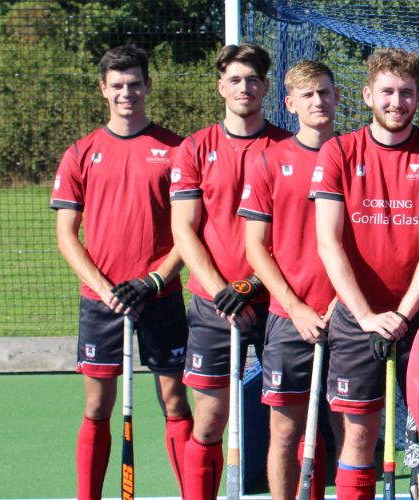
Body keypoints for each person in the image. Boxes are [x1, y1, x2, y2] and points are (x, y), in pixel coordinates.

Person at [51, 44, 192, 499]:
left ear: (148, 86)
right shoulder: (81, 152)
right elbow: (66, 234)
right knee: (97, 406)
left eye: (134, 84)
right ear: (102, 89)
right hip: (102, 302)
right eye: (117, 86)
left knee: (175, 401)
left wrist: (155, 280)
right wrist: (105, 287)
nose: (126, 93)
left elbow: (190, 232)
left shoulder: (176, 150)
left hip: (160, 298)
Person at [311, 48, 419, 500]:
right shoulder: (338, 151)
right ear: (368, 95)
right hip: (358, 318)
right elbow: (329, 243)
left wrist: (403, 315)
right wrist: (368, 317)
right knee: (358, 435)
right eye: (387, 91)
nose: (397, 102)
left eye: (407, 92)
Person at [169, 42, 292, 499]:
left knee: (291, 421)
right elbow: (184, 230)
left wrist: (252, 284)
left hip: (277, 303)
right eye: (235, 80)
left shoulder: (287, 148)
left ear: (266, 87)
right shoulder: (194, 148)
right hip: (212, 305)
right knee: (209, 420)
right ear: (221, 86)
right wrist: (224, 292)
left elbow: (295, 234)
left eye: (253, 80)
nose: (244, 88)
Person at [236, 59, 339, 500]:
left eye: (325, 92)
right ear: (290, 103)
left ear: (337, 97)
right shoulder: (270, 161)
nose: (318, 101)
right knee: (285, 431)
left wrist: (343, 303)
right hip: (288, 317)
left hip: (348, 314)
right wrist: (296, 309)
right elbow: (255, 248)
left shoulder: (355, 155)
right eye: (308, 94)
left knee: (345, 430)